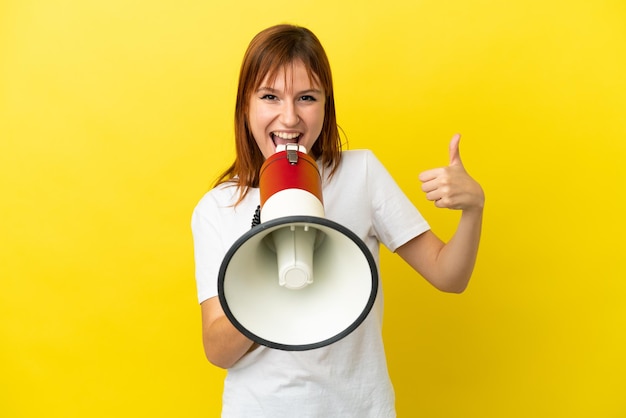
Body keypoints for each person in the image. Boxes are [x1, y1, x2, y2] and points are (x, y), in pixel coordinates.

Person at [191, 24, 484, 417]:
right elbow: (218, 351)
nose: (289, 116)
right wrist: (277, 277)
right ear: (246, 105)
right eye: (270, 96)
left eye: (307, 97)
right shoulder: (218, 207)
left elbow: (449, 277)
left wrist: (473, 209)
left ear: (326, 104)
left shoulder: (360, 175)